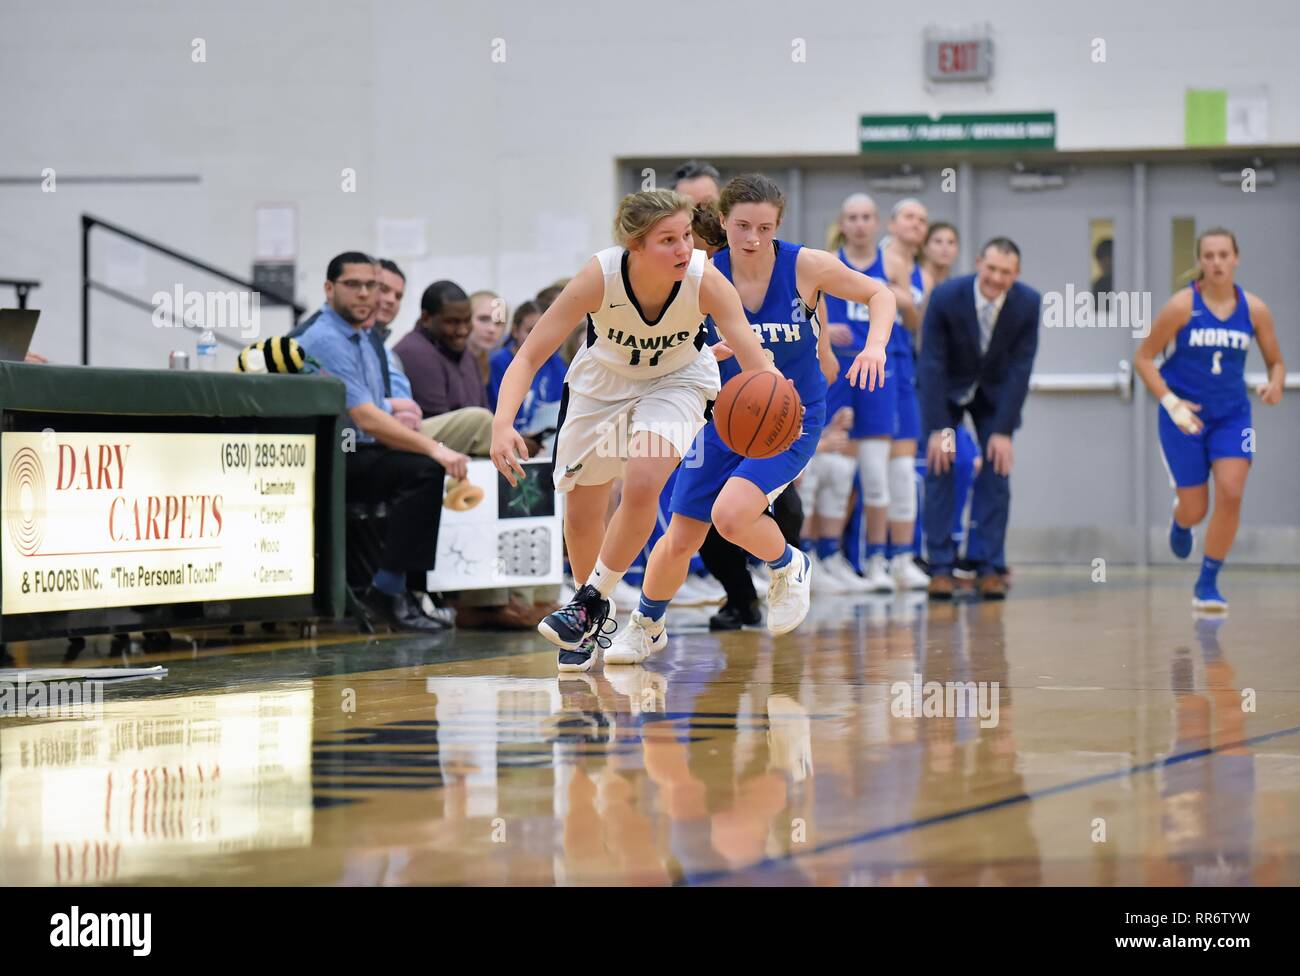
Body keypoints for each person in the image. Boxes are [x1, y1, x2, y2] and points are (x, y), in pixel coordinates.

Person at [603, 173, 894, 665]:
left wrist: (875, 347)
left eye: (765, 227)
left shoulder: (808, 266)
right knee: (681, 532)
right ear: (721, 221)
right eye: (742, 226)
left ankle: (788, 564)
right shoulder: (699, 273)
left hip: (790, 417)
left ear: (779, 225)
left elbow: (880, 295)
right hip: (722, 415)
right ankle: (646, 624)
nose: (753, 238)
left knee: (731, 514)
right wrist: (701, 356)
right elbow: (673, 342)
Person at [489, 188, 779, 672]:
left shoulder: (705, 280)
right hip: (601, 384)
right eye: (668, 240)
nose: (685, 249)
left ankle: (585, 602)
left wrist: (776, 399)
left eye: (687, 235)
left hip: (678, 380)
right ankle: (590, 618)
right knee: (583, 513)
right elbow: (528, 356)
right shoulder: (598, 277)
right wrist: (501, 424)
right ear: (635, 246)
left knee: (643, 481)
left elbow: (753, 361)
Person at [297, 251, 468, 632]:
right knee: (424, 469)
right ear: (329, 289)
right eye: (353, 285)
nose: (364, 294)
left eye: (370, 285)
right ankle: (388, 590)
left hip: (362, 448)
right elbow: (365, 417)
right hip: (335, 455)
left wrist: (396, 406)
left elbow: (372, 404)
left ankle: (406, 591)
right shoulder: (326, 338)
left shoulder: (364, 336)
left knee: (423, 470)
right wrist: (434, 446)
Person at [1134, 227, 1285, 611]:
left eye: (1223, 255)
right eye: (1209, 256)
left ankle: (1207, 581)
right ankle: (1180, 521)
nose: (1216, 262)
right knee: (1196, 507)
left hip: (1233, 416)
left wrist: (1276, 384)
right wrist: (1172, 403)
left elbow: (1276, 362)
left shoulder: (1255, 310)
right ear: (1200, 261)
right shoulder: (1182, 306)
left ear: (1236, 258)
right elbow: (1144, 359)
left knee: (1232, 492)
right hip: (1184, 418)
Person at [918, 237, 1041, 600]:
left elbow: (1021, 369)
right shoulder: (946, 297)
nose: (996, 278)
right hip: (949, 394)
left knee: (997, 467)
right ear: (978, 264)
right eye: (991, 269)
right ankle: (940, 566)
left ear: (1015, 275)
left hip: (995, 398)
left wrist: (1002, 430)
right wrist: (940, 427)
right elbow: (932, 363)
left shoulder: (1029, 303)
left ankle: (988, 564)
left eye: (1005, 272)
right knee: (942, 464)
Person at [821, 193, 897, 591]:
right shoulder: (826, 263)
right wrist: (823, 331)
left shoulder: (893, 265)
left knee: (876, 474)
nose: (860, 224)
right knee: (835, 469)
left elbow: (909, 314)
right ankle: (826, 555)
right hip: (838, 369)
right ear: (842, 222)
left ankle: (879, 559)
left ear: (878, 222)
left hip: (877, 370)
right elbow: (805, 308)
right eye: (852, 217)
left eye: (867, 216)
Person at [880, 198, 933, 591]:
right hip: (872, 361)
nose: (916, 224)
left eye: (922, 220)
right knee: (863, 467)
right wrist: (898, 296)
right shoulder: (876, 258)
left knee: (901, 468)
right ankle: (867, 556)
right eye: (910, 217)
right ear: (893, 222)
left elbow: (917, 322)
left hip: (904, 364)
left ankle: (901, 557)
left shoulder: (923, 274)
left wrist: (899, 295)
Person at [393, 280, 495, 457]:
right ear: (426, 318)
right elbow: (440, 421)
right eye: (452, 322)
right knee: (481, 421)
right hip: (420, 448)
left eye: (466, 321)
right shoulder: (415, 352)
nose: (462, 330)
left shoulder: (467, 355)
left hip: (466, 452)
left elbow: (483, 408)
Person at [488, 300, 566, 456]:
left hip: (547, 444)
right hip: (509, 440)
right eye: (530, 330)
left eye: (544, 330)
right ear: (515, 331)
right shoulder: (499, 362)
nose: (538, 336)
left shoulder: (556, 363)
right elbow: (494, 410)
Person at [468, 290, 507, 385]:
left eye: (498, 323)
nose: (492, 329)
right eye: (483, 319)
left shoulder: (487, 363)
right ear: (465, 319)